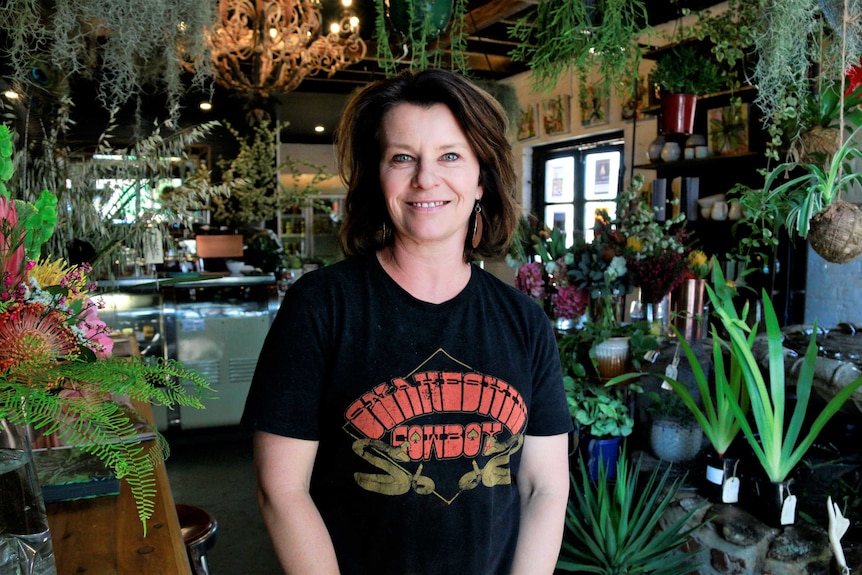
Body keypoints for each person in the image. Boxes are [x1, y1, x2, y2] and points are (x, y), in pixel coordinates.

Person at [242, 68, 573, 575]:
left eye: (450, 156)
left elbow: (544, 485)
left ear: (480, 179)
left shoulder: (525, 322)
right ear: (379, 177)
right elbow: (281, 491)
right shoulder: (321, 306)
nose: (425, 178)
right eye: (403, 157)